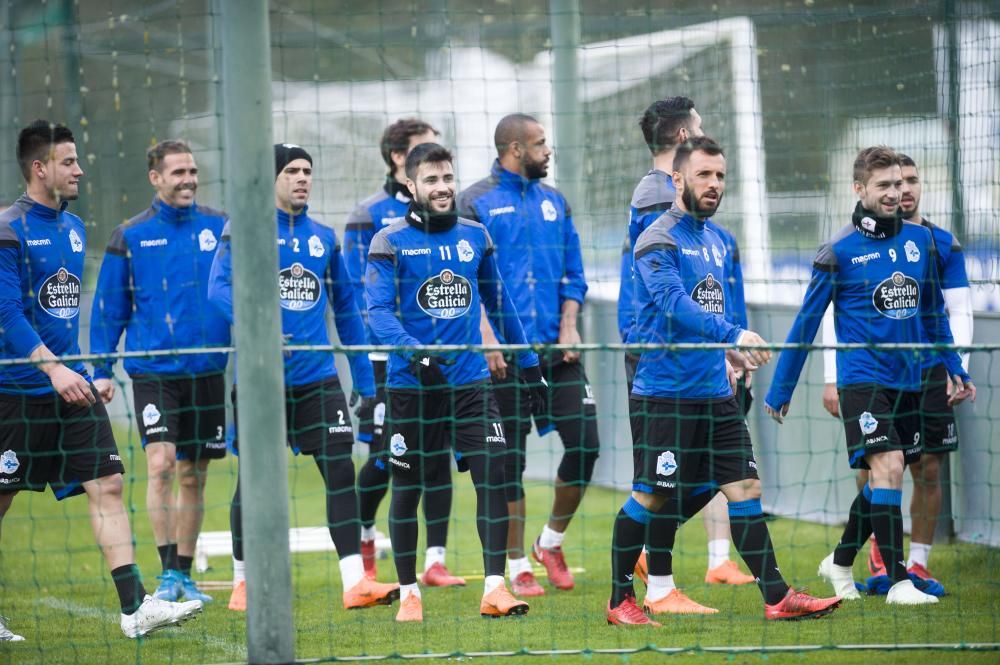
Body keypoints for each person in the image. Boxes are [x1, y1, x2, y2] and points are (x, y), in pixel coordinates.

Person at [607, 136, 841, 625]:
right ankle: (620, 601)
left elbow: (708, 308)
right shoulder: (657, 238)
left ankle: (777, 597)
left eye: (720, 176)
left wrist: (730, 353)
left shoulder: (715, 239)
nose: (714, 185)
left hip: (715, 394)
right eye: (704, 175)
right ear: (678, 180)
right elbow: (675, 305)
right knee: (651, 495)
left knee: (745, 487)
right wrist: (733, 332)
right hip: (666, 394)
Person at [0, 120, 202, 639]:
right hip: (15, 392)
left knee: (109, 483)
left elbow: (62, 321)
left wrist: (88, 372)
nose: (79, 169)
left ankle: (135, 608)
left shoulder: (74, 227)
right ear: (39, 168)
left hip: (72, 389)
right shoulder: (7, 228)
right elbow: (7, 313)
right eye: (68, 161)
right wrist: (52, 368)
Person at [765, 145, 975, 606]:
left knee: (887, 474)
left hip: (912, 381)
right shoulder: (838, 251)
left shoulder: (924, 242)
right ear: (859, 189)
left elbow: (935, 315)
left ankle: (840, 562)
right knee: (891, 466)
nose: (895, 192)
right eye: (884, 185)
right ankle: (899, 581)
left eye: (900, 183)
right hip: (862, 380)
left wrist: (955, 367)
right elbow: (805, 323)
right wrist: (781, 390)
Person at [208, 143, 399, 612]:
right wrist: (260, 329)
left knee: (340, 470)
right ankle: (243, 582)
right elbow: (218, 289)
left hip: (318, 380)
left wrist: (364, 380)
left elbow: (348, 312)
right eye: (292, 170)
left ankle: (355, 582)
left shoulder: (323, 237)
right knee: (253, 480)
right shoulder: (244, 229)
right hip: (260, 382)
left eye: (307, 171)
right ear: (272, 178)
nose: (302, 178)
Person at [366, 142, 547, 622]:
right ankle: (409, 593)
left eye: (447, 177)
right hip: (411, 389)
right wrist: (417, 353)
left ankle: (494, 588)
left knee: (493, 477)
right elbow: (378, 313)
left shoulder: (475, 236)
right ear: (410, 184)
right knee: (407, 490)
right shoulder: (389, 241)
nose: (442, 187)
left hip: (471, 387)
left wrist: (530, 367)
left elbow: (501, 305)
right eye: (431, 179)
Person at [618, 98, 756, 608]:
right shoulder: (661, 196)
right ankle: (655, 579)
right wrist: (724, 344)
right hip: (669, 356)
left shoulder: (695, 212)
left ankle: (683, 570)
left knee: (718, 474)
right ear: (681, 139)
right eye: (698, 128)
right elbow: (674, 292)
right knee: (666, 478)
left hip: (697, 348)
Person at [457, 113, 597, 597]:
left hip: (558, 357)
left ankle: (550, 542)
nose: (548, 150)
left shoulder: (556, 202)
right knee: (505, 463)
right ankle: (517, 562)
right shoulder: (473, 202)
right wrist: (486, 338)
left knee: (587, 444)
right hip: (503, 360)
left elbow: (574, 273)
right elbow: (464, 282)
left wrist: (569, 324)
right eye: (540, 144)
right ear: (514, 149)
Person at [90, 140, 229, 605]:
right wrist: (102, 367)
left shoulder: (219, 226)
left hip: (209, 369)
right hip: (154, 371)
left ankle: (186, 575)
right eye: (178, 172)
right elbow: (109, 308)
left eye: (192, 170)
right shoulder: (130, 235)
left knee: (194, 475)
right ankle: (167, 573)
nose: (188, 179)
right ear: (155, 178)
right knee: (161, 463)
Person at [343, 118, 463, 586]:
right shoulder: (367, 216)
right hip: (387, 362)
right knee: (384, 457)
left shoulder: (452, 214)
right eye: (423, 152)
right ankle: (365, 534)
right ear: (400, 161)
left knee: (438, 457)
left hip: (444, 361)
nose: (436, 163)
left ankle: (436, 561)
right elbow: (359, 295)